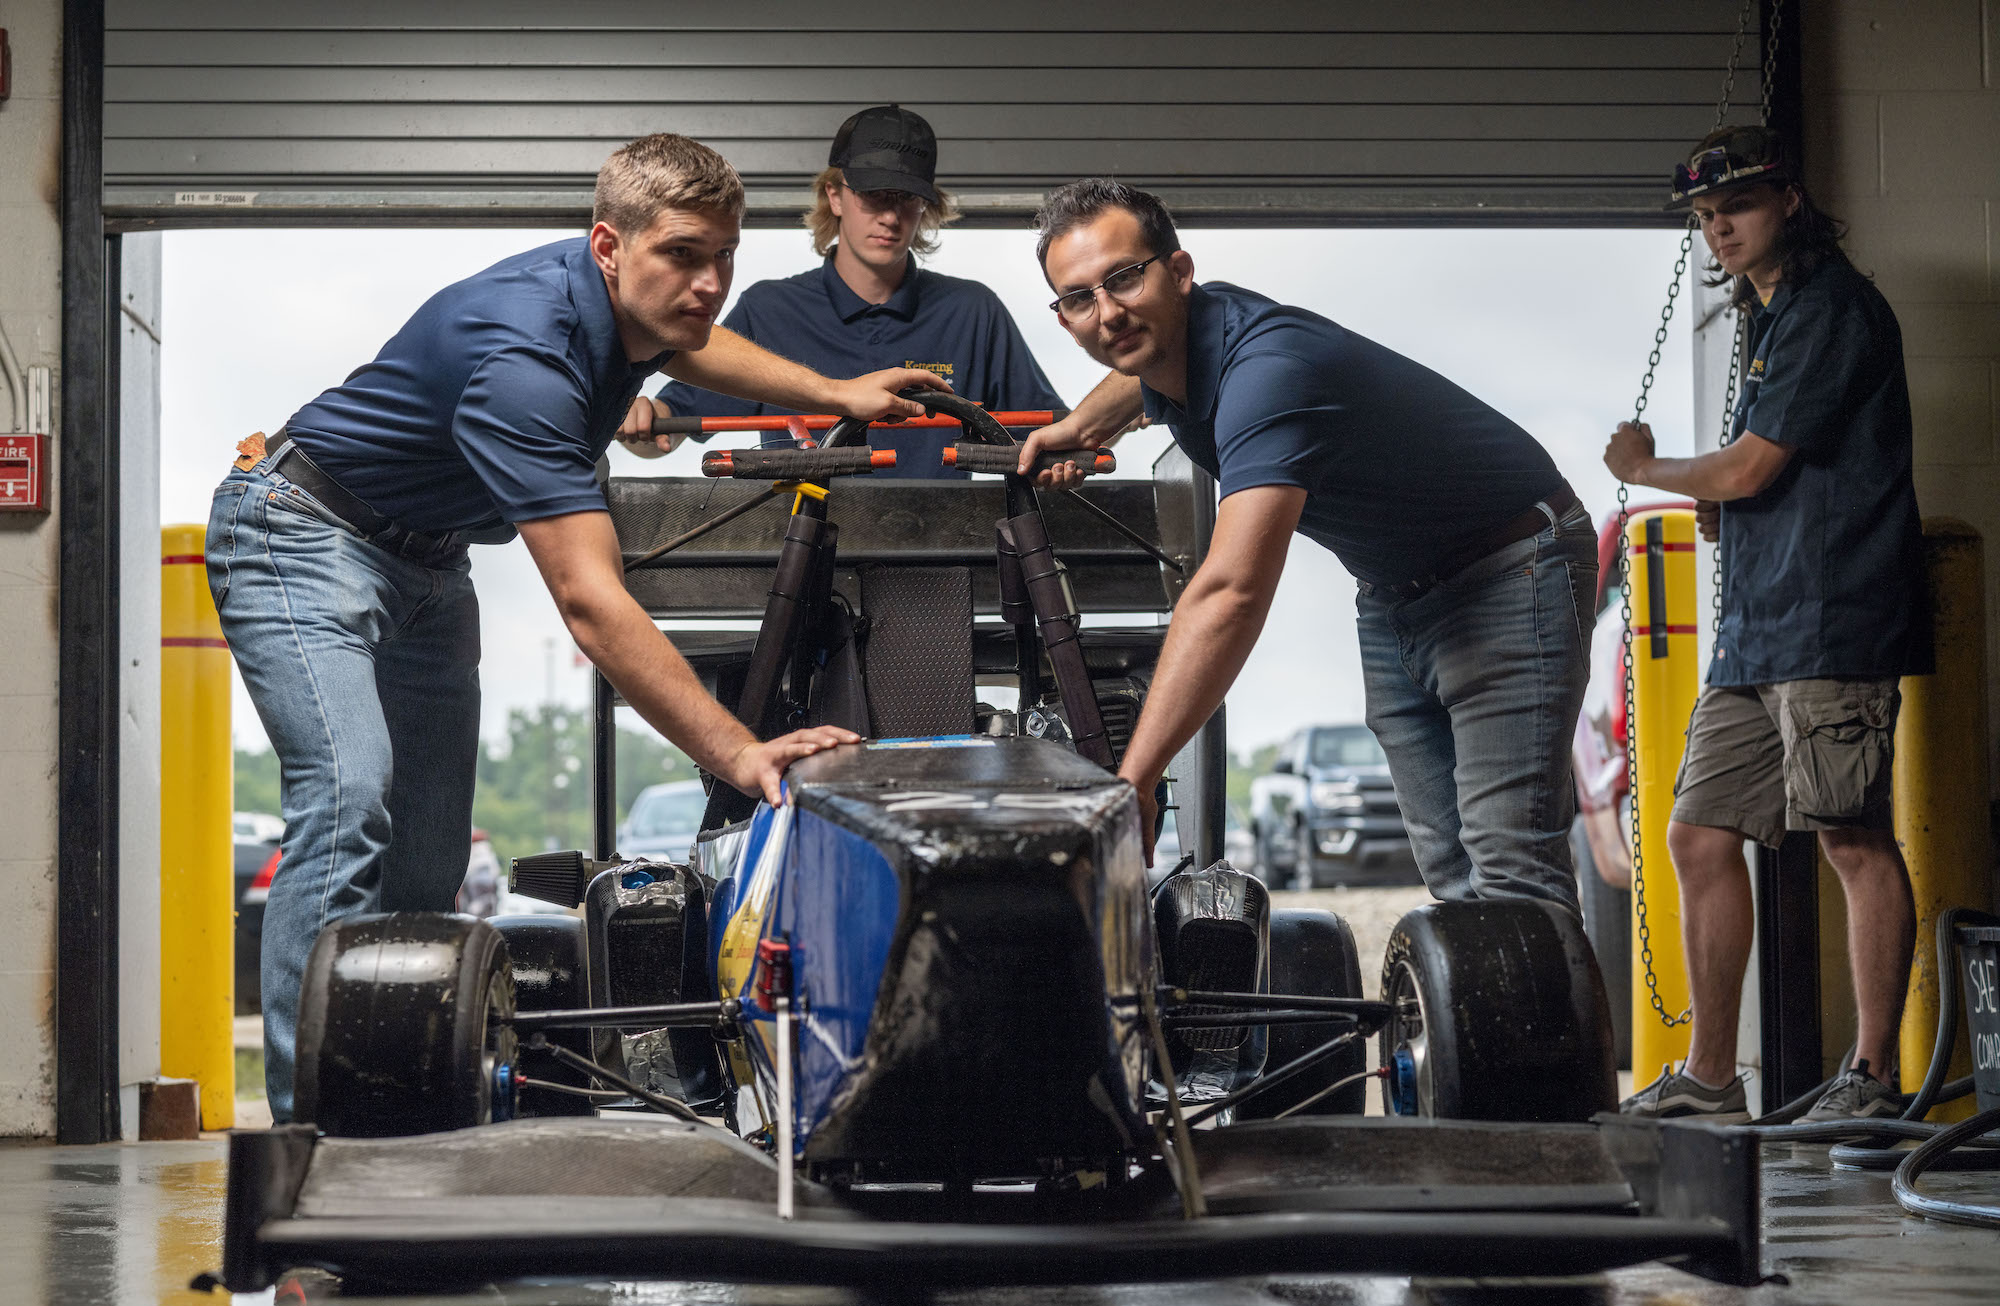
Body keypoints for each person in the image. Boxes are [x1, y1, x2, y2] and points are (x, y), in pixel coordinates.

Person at [210, 133, 947, 1122]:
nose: (709, 282)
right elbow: (593, 608)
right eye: (682, 254)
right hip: (301, 532)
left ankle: (408, 1100)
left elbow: (695, 336)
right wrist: (739, 751)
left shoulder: (621, 300)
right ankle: (309, 1127)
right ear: (609, 245)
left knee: (427, 860)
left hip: (428, 563)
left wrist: (835, 394)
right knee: (350, 803)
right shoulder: (526, 359)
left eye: (723, 255)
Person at [1021, 179, 1597, 914]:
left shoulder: (1270, 373)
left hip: (1511, 569)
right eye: (1078, 298)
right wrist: (1079, 427)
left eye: (1125, 277)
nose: (1107, 312)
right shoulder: (1181, 342)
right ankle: (1489, 1030)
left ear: (1180, 270)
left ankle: (1560, 1032)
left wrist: (1134, 781)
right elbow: (1135, 372)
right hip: (1395, 593)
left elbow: (1232, 591)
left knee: (1517, 881)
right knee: (1454, 880)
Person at [1605, 126, 1930, 1124]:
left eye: (1733, 210)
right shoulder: (1767, 318)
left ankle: (1872, 1080)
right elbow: (1761, 477)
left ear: (1786, 198)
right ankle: (1709, 1081)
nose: (1718, 232)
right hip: (1756, 626)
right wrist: (1726, 504)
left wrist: (1646, 470)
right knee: (1698, 835)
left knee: (1848, 839)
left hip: (1831, 618)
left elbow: (1749, 466)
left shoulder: (1829, 307)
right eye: (1704, 220)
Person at [621, 105, 1063, 478]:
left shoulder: (972, 311)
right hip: (796, 559)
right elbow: (664, 433)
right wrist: (641, 417)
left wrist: (1124, 394)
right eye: (874, 195)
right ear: (834, 195)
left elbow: (1059, 434)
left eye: (906, 198)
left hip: (938, 562)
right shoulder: (768, 309)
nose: (890, 217)